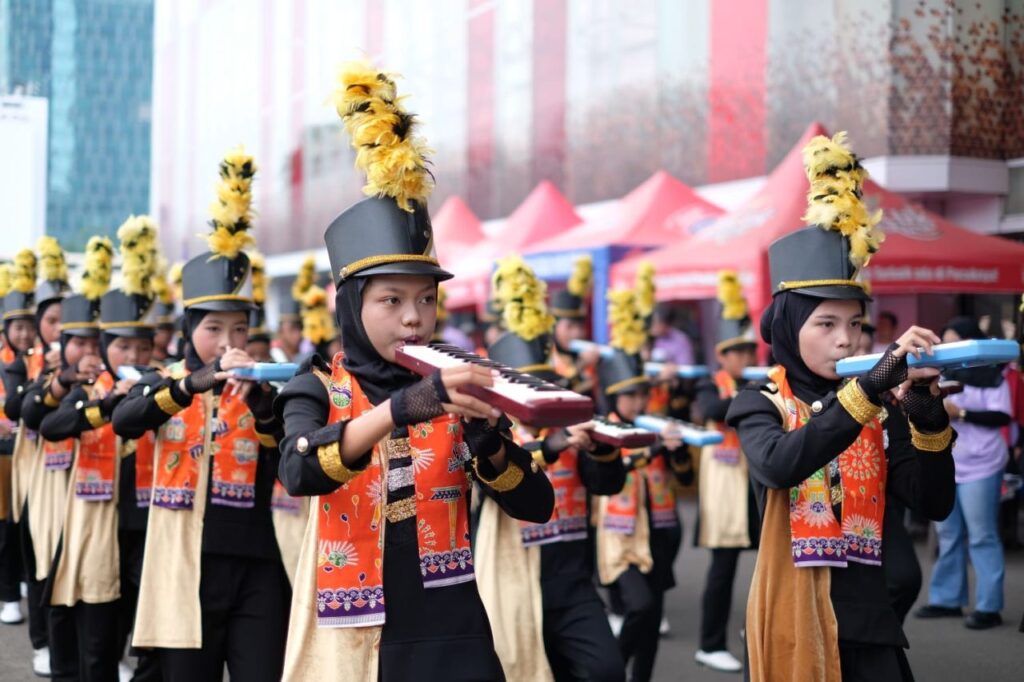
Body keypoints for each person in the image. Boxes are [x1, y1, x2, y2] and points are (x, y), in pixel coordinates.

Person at [273, 63, 554, 681]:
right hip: (354, 629)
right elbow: (298, 469)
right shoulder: (315, 385)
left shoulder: (459, 381)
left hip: (453, 627)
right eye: (392, 301)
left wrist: (488, 442)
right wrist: (402, 408)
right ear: (352, 305)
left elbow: (535, 504)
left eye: (426, 299)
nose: (414, 318)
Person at [725, 132, 955, 682]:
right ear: (786, 328)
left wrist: (924, 411)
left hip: (872, 618)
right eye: (825, 324)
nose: (846, 340)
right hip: (796, 611)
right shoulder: (758, 403)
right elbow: (781, 464)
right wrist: (868, 389)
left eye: (855, 325)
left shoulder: (880, 403)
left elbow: (933, 502)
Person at [111, 149, 291, 681]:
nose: (229, 341)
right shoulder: (164, 380)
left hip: (257, 561)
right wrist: (192, 384)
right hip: (186, 565)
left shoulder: (267, 383)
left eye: (239, 329)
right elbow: (126, 420)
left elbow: (289, 456)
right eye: (214, 329)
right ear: (190, 328)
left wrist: (263, 403)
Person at [474, 255, 626, 682]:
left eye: (543, 388)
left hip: (573, 577)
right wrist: (550, 447)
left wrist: (602, 449)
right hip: (514, 578)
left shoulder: (569, 424)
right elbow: (491, 490)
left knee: (606, 670)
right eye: (526, 390)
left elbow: (607, 485)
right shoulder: (493, 431)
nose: (536, 399)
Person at [39, 217, 163, 681]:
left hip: (148, 517)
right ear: (107, 348)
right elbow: (51, 425)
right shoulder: (89, 388)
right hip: (98, 516)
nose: (132, 357)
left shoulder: (162, 386)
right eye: (123, 347)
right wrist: (104, 407)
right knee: (96, 622)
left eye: (142, 347)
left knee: (147, 618)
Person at [20, 237, 114, 679]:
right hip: (50, 497)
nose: (88, 353)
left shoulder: (116, 385)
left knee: (96, 592)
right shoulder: (45, 378)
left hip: (95, 503)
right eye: (78, 342)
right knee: (50, 580)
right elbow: (32, 413)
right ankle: (47, 647)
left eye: (96, 342)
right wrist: (66, 382)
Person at [593, 288, 692, 682]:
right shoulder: (605, 429)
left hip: (660, 530)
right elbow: (611, 470)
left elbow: (684, 477)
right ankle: (614, 667)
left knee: (651, 620)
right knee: (640, 605)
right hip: (621, 535)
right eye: (631, 395)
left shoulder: (655, 424)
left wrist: (678, 448)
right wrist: (652, 450)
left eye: (642, 393)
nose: (639, 401)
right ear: (616, 395)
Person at [914, 316, 1011, 630]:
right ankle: (946, 600)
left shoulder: (992, 373)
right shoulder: (939, 372)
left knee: (982, 535)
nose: (950, 348)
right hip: (947, 461)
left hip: (982, 464)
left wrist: (963, 412)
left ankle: (988, 606)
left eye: (956, 341)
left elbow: (1002, 417)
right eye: (946, 342)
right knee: (947, 533)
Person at [691, 271, 759, 673]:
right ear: (722, 354)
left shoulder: (754, 383)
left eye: (750, 351)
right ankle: (709, 642)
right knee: (723, 568)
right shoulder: (709, 384)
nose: (747, 358)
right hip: (722, 489)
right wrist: (746, 396)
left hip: (751, 483)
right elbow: (710, 411)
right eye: (739, 351)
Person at [551, 256, 599, 394]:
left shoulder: (584, 354)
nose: (577, 334)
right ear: (554, 326)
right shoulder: (545, 356)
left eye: (580, 327)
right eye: (569, 326)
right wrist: (579, 366)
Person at [272, 256, 314, 364]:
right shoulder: (273, 359)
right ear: (280, 332)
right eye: (293, 329)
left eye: (301, 328)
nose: (299, 334)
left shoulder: (305, 357)